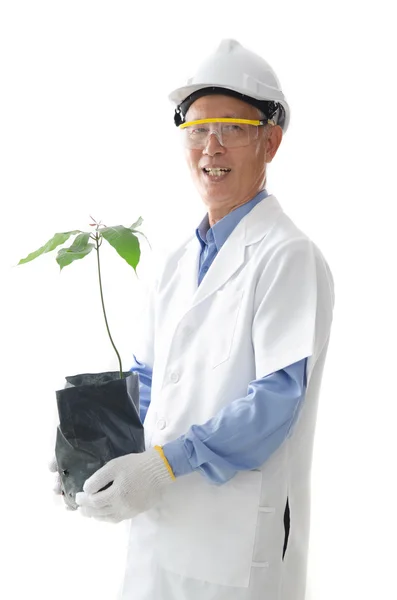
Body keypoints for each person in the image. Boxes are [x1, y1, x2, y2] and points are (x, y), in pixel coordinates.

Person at [57, 39, 335, 599]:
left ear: (270, 141)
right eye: (198, 130)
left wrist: (161, 467)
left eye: (232, 127)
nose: (212, 146)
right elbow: (149, 380)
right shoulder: (178, 259)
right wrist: (88, 446)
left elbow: (276, 400)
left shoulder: (287, 255)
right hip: (161, 530)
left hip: (236, 542)